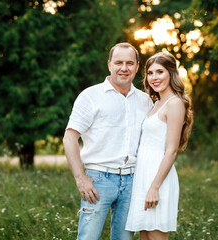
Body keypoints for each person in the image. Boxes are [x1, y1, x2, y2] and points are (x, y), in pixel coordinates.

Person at [63, 42, 153, 240]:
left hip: (132, 180)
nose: (124, 68)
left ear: (137, 67)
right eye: (118, 62)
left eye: (129, 63)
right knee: (88, 238)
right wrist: (80, 178)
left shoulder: (145, 101)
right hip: (98, 180)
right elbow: (70, 137)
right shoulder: (91, 96)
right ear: (109, 65)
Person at [125, 52, 193, 240]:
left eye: (160, 72)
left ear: (171, 73)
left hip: (158, 177)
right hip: (144, 174)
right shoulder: (156, 103)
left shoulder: (175, 104)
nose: (154, 77)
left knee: (156, 235)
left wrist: (154, 187)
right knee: (144, 235)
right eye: (150, 73)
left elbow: (171, 151)